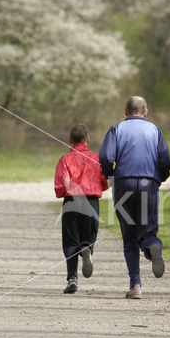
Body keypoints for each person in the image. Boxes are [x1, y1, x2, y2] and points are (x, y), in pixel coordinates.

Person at [99, 96, 170, 299]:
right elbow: (166, 160)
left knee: (129, 235)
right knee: (148, 228)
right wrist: (159, 178)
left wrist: (110, 175)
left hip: (124, 183)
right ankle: (152, 246)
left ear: (126, 112)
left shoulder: (116, 129)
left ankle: (136, 284)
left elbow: (106, 157)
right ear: (145, 112)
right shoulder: (155, 130)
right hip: (148, 182)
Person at [54, 123, 109, 294]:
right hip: (91, 201)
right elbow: (105, 181)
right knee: (88, 235)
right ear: (88, 139)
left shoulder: (65, 160)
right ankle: (87, 249)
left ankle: (72, 278)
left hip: (71, 202)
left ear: (70, 140)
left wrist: (63, 192)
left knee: (70, 241)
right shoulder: (97, 158)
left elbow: (61, 186)